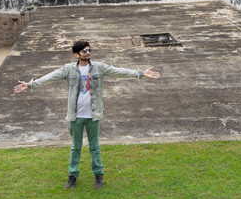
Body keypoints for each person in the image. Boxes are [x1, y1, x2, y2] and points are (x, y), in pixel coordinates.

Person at [14, 40, 160, 190]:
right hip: (75, 116)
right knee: (75, 147)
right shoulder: (68, 69)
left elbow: (119, 71)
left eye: (89, 49)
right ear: (76, 55)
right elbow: (50, 77)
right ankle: (72, 175)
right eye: (85, 51)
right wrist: (31, 84)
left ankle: (98, 175)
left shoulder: (99, 67)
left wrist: (141, 73)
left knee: (94, 147)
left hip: (93, 115)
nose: (88, 52)